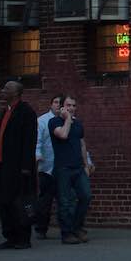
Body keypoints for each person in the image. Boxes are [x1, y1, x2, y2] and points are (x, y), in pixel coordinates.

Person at [0, 80, 37, 250]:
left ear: (16, 93)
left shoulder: (26, 112)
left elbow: (29, 141)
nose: (3, 91)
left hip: (17, 166)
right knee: (4, 202)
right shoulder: (5, 112)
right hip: (2, 164)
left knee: (19, 202)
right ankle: (10, 236)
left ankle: (23, 237)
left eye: (7, 88)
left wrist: (26, 166)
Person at [49, 95, 92, 246]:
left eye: (74, 105)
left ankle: (77, 227)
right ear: (62, 107)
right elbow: (63, 135)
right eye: (68, 105)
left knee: (86, 196)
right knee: (65, 202)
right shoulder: (54, 122)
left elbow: (82, 145)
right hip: (63, 169)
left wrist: (86, 165)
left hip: (78, 168)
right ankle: (67, 233)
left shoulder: (79, 124)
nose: (72, 108)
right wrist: (67, 119)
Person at [33, 94, 62, 240]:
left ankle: (67, 228)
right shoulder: (42, 121)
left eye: (60, 102)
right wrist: (37, 154)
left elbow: (78, 144)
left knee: (64, 199)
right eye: (55, 102)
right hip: (47, 167)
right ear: (51, 104)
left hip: (63, 167)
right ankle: (41, 228)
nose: (57, 105)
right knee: (45, 200)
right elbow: (37, 140)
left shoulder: (69, 121)